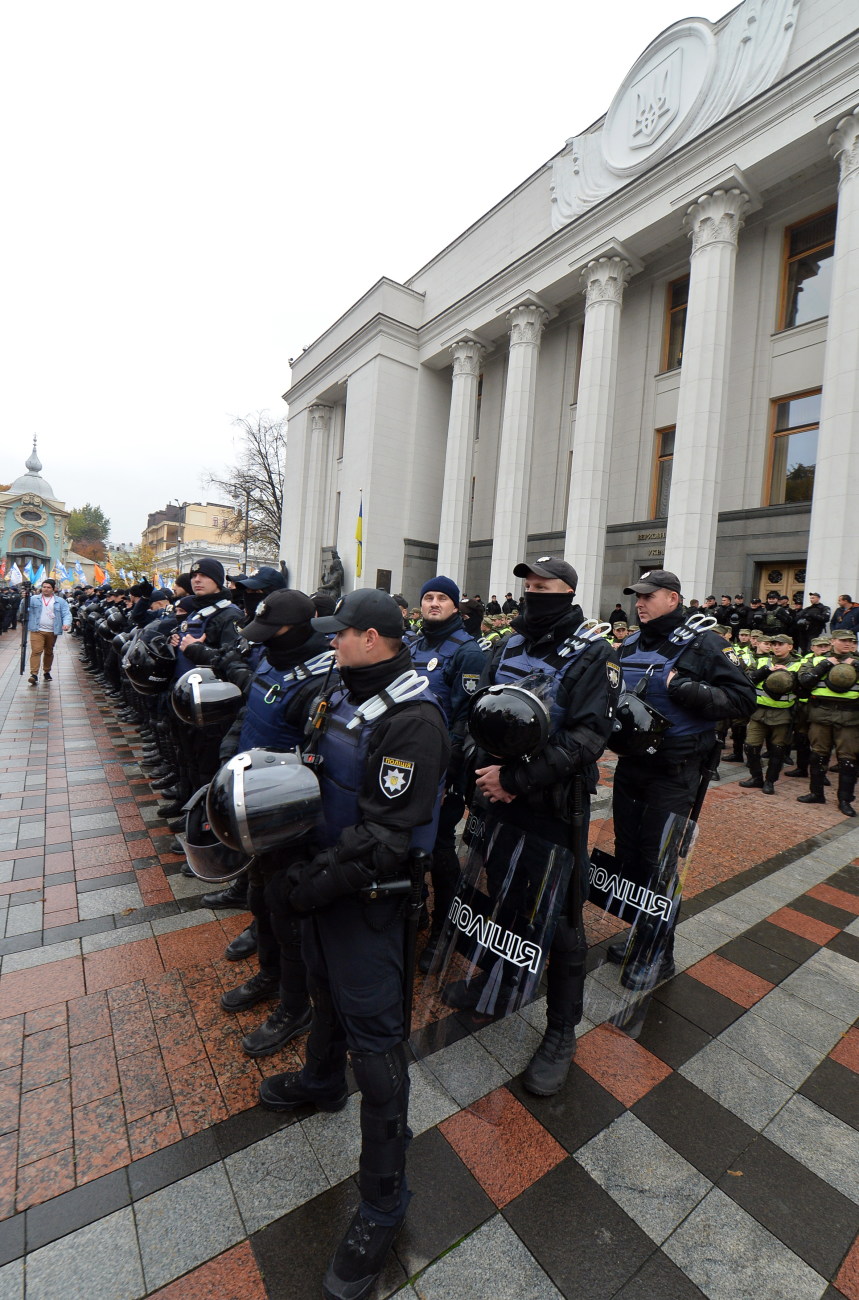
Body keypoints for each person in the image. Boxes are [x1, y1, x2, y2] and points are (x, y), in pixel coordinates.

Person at [259, 589, 449, 1300]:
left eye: (342, 635)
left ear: (377, 638)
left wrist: (318, 880)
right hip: (322, 879)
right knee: (321, 990)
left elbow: (390, 836)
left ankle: (382, 1200)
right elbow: (313, 768)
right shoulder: (340, 688)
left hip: (369, 901)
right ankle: (317, 1082)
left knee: (376, 1049)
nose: (330, 643)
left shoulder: (413, 718)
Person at [462, 555, 620, 1095]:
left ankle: (560, 1031)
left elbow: (587, 738)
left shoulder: (595, 653)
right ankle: (501, 976)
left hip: (553, 805)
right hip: (497, 797)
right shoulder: (506, 644)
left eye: (543, 586)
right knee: (502, 895)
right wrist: (481, 772)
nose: (532, 593)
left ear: (568, 592)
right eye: (527, 585)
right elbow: (477, 710)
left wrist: (517, 778)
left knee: (562, 920)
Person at [607, 570, 755, 987]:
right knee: (629, 857)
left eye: (648, 597)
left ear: (672, 598)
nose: (639, 603)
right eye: (636, 596)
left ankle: (659, 954)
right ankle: (641, 936)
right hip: (631, 766)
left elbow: (745, 699)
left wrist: (688, 689)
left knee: (658, 864)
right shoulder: (631, 642)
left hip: (675, 772)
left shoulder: (705, 643)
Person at [215, 589, 335, 1056]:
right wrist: (229, 760)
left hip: (287, 812)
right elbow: (249, 713)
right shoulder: (269, 658)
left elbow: (318, 755)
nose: (263, 641)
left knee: (287, 913)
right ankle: (269, 973)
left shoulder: (323, 680)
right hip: (253, 804)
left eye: (272, 632)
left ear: (298, 629)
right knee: (260, 898)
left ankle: (294, 1004)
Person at [406, 576, 486, 971]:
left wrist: (449, 776)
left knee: (439, 847)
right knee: (409, 841)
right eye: (428, 597)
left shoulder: (468, 652)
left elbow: (467, 718)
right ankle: (415, 908)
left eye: (442, 598)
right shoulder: (413, 644)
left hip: (444, 769)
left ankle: (444, 928)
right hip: (408, 764)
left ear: (456, 606)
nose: (434, 603)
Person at [796, 628, 859, 816]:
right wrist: (824, 665)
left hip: (850, 717)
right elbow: (804, 682)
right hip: (821, 714)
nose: (848, 644)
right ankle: (816, 793)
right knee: (818, 755)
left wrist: (855, 665)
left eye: (851, 641)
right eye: (843, 640)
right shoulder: (815, 660)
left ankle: (845, 800)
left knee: (848, 759)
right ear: (833, 641)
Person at [739, 634, 800, 793]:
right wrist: (766, 670)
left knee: (777, 750)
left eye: (781, 644)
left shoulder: (799, 664)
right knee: (751, 746)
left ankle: (770, 781)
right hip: (759, 712)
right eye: (774, 644)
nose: (776, 647)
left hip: (782, 715)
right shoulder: (763, 661)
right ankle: (756, 777)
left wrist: (789, 675)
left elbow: (804, 685)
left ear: (790, 647)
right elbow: (748, 679)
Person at [21, 578, 71, 684]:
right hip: (37, 629)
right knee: (36, 651)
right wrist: (24, 599)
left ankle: (46, 671)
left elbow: (66, 613)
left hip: (52, 631)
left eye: (48, 587)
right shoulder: (34, 599)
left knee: (49, 652)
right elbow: (23, 609)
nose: (46, 589)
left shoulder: (60, 601)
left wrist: (66, 623)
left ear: (53, 589)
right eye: (44, 587)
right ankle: (34, 674)